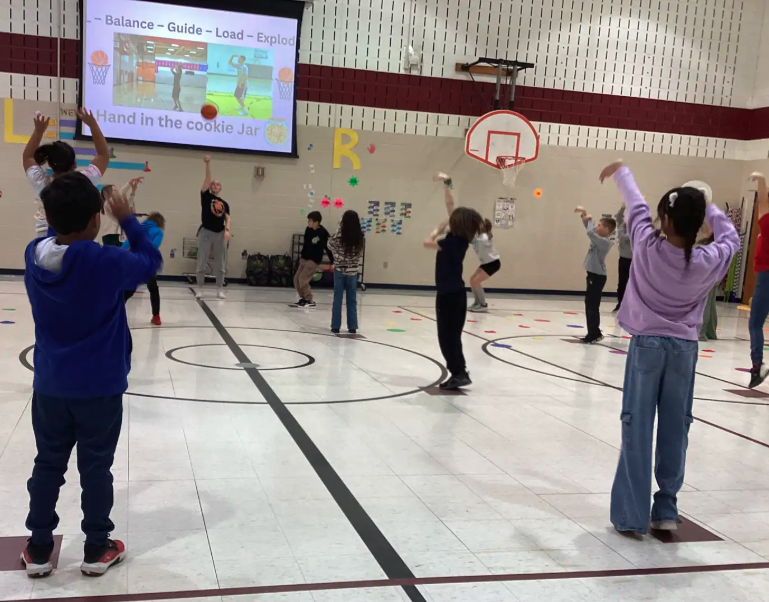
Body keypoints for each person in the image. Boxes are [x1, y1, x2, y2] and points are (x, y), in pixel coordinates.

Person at [21, 173, 162, 578]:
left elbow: (60, 233)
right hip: (100, 386)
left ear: (50, 217)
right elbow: (151, 262)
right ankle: (97, 547)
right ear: (97, 219)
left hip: (50, 384)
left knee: (47, 465)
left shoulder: (34, 255)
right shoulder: (105, 261)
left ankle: (39, 548)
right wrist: (129, 218)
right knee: (96, 468)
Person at [600, 160, 739, 536]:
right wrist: (708, 204)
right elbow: (732, 239)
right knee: (676, 427)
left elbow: (636, 207)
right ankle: (666, 508)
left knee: (637, 425)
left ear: (665, 217)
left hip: (646, 347)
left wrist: (623, 173)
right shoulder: (709, 260)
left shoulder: (646, 246)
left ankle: (631, 514)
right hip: (683, 351)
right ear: (698, 224)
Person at [23, 109, 110, 237]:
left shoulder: (41, 182)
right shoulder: (84, 180)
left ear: (50, 164)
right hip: (75, 239)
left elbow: (28, 157)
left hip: (45, 240)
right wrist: (92, 124)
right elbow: (103, 155)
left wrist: (38, 131)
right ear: (74, 162)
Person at [424, 207, 483, 390]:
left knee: (447, 338)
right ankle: (460, 371)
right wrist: (447, 185)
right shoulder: (460, 240)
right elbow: (451, 209)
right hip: (456, 295)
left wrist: (436, 230)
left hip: (448, 296)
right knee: (453, 337)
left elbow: (427, 243)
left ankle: (459, 373)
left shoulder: (451, 243)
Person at [433, 172, 501, 313]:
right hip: (486, 263)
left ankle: (482, 304)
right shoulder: (476, 235)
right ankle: (477, 302)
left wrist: (446, 229)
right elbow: (451, 209)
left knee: (475, 281)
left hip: (493, 263)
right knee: (472, 280)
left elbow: (454, 214)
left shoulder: (483, 237)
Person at [573, 206, 616, 344]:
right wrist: (584, 214)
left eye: (600, 225)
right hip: (592, 275)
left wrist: (590, 221)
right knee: (590, 304)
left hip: (597, 277)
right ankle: (594, 331)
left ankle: (593, 333)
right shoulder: (598, 238)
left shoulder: (604, 242)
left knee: (592, 305)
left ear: (607, 230)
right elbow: (589, 228)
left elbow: (590, 232)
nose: (597, 227)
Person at [123, 212, 166, 326]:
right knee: (153, 289)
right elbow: (154, 246)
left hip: (131, 260)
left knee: (129, 289)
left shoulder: (137, 229)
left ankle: (116, 312)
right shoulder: (158, 232)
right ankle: (156, 317)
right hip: (145, 262)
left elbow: (125, 245)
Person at [197, 156, 231, 299]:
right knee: (202, 261)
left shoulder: (225, 203)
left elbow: (228, 218)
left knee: (220, 263)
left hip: (220, 233)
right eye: (213, 184)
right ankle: (200, 288)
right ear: (210, 187)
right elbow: (208, 177)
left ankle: (219, 289)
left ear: (221, 188)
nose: (215, 185)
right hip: (206, 232)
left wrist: (227, 231)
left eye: (218, 184)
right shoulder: (206, 197)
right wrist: (208, 164)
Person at [328, 210, 364, 333]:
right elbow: (359, 253)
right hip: (353, 271)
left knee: (338, 297)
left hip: (339, 269)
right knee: (352, 299)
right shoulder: (360, 237)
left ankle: (335, 326)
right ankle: (352, 326)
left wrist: (338, 228)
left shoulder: (339, 236)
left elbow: (329, 244)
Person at [748, 173, 769, 388]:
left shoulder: (767, 222)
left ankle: (757, 365)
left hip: (766, 275)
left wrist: (761, 180)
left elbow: (762, 200)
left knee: (755, 323)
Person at [294, 211, 333, 309]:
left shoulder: (322, 233)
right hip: (304, 258)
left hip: (314, 260)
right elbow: (307, 244)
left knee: (303, 279)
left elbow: (328, 248)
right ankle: (303, 298)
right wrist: (302, 257)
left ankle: (309, 299)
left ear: (316, 222)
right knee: (296, 279)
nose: (309, 222)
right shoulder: (308, 230)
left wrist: (332, 261)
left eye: (310, 220)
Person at [99, 178, 142, 246]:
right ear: (107, 193)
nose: (117, 191)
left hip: (118, 234)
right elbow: (121, 194)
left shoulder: (115, 203)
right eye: (114, 190)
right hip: (111, 235)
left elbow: (128, 205)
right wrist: (129, 184)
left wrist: (133, 192)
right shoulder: (107, 203)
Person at [697, 225, 719, 341]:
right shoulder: (721, 244)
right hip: (716, 275)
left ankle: (701, 333)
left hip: (708, 276)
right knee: (711, 304)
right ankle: (711, 332)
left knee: (705, 304)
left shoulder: (709, 244)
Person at [614, 204, 632, 312]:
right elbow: (618, 216)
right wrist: (623, 206)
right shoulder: (622, 225)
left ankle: (630, 305)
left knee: (631, 283)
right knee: (621, 282)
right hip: (623, 258)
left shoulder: (634, 230)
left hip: (633, 260)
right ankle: (620, 303)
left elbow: (625, 237)